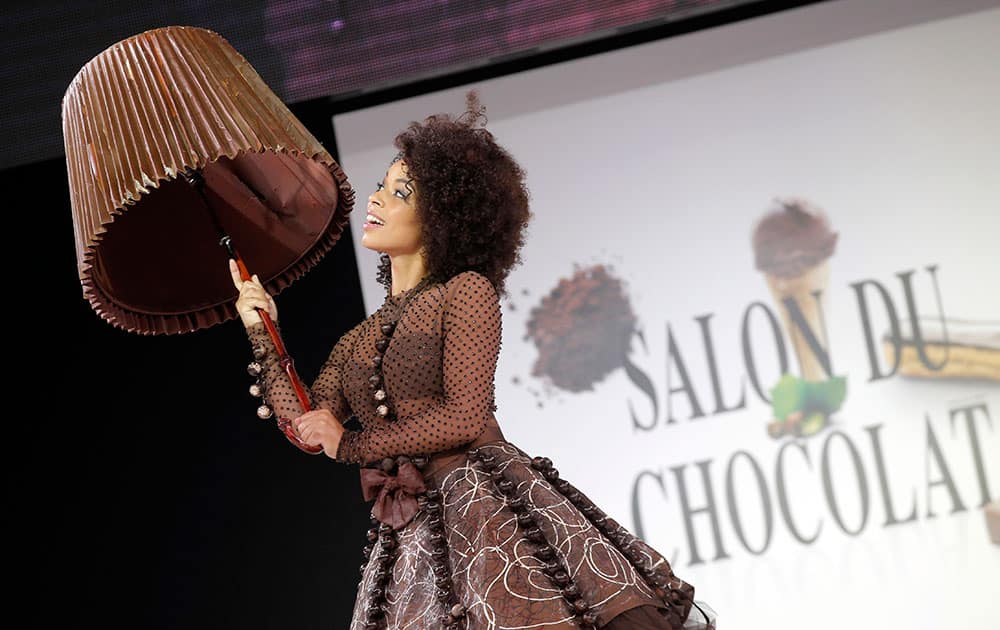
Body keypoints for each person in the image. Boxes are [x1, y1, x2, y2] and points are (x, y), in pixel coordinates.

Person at [229, 92, 713, 630]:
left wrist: (354, 444)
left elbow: (463, 415)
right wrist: (261, 329)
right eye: (381, 187)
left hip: (489, 516)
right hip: (412, 540)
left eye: (400, 192)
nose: (377, 200)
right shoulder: (356, 340)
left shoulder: (465, 292)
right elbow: (306, 427)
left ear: (444, 217)